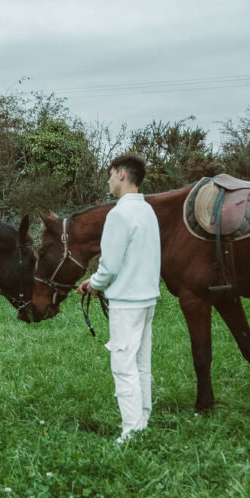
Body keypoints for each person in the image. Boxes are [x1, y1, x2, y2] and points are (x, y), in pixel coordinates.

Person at [77, 153, 161, 444]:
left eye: (111, 174)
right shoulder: (147, 211)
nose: (109, 180)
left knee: (123, 366)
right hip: (148, 297)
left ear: (122, 174)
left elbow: (109, 266)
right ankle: (142, 419)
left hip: (127, 302)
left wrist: (93, 284)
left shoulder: (119, 214)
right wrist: (98, 281)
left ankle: (131, 431)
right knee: (141, 363)